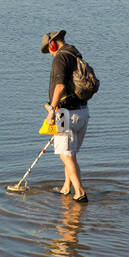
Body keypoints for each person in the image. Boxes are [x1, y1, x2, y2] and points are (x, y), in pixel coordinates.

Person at [42, 30, 89, 202]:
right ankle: (66, 187)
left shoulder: (60, 58)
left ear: (53, 44)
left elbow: (60, 86)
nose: (51, 54)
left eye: (50, 50)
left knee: (65, 155)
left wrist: (51, 110)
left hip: (65, 113)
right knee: (70, 153)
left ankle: (80, 192)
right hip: (83, 112)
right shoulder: (75, 53)